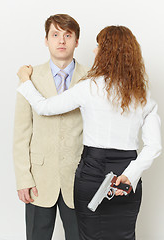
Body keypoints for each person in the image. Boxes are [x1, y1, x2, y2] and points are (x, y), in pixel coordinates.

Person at [17, 26, 161, 240]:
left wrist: (25, 80)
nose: (94, 51)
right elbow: (154, 146)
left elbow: (44, 107)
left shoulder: (89, 87)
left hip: (92, 173)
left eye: (98, 46)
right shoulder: (142, 93)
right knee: (125, 235)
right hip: (127, 174)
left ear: (107, 53)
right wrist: (130, 175)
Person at [13, 14, 88, 240]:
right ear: (46, 40)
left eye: (68, 35)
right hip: (39, 179)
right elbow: (21, 133)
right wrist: (23, 178)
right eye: (55, 35)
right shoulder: (30, 77)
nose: (61, 41)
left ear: (77, 41)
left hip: (79, 179)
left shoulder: (91, 78)